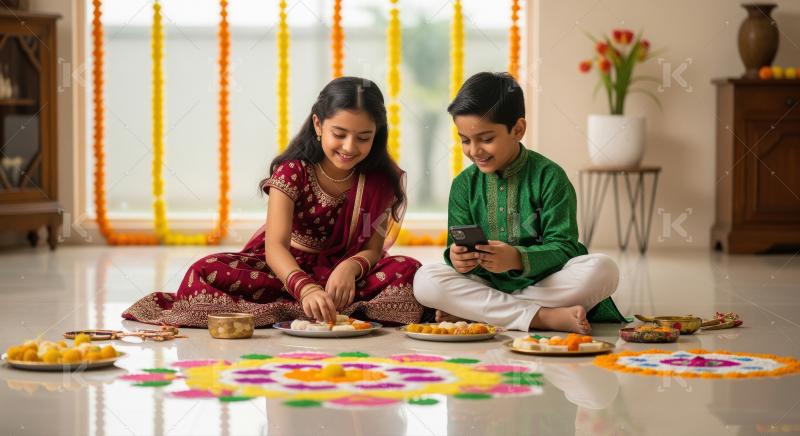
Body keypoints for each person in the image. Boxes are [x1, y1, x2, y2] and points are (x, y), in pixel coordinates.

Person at [123, 77, 424, 327]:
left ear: (376, 135)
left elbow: (373, 248)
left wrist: (350, 267)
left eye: (363, 138)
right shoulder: (293, 171)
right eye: (339, 134)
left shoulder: (380, 181)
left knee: (410, 271)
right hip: (283, 271)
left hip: (345, 278)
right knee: (205, 270)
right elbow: (275, 247)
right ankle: (317, 305)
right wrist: (305, 287)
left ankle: (317, 305)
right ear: (318, 125)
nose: (349, 146)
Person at [413, 72, 626, 333]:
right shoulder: (463, 185)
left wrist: (518, 258)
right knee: (425, 280)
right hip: (486, 284)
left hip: (545, 282)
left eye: (486, 139)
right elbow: (455, 246)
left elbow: (565, 247)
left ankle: (480, 312)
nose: (474, 150)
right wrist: (457, 258)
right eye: (465, 140)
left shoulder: (550, 177)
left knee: (603, 269)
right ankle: (543, 317)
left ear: (518, 129)